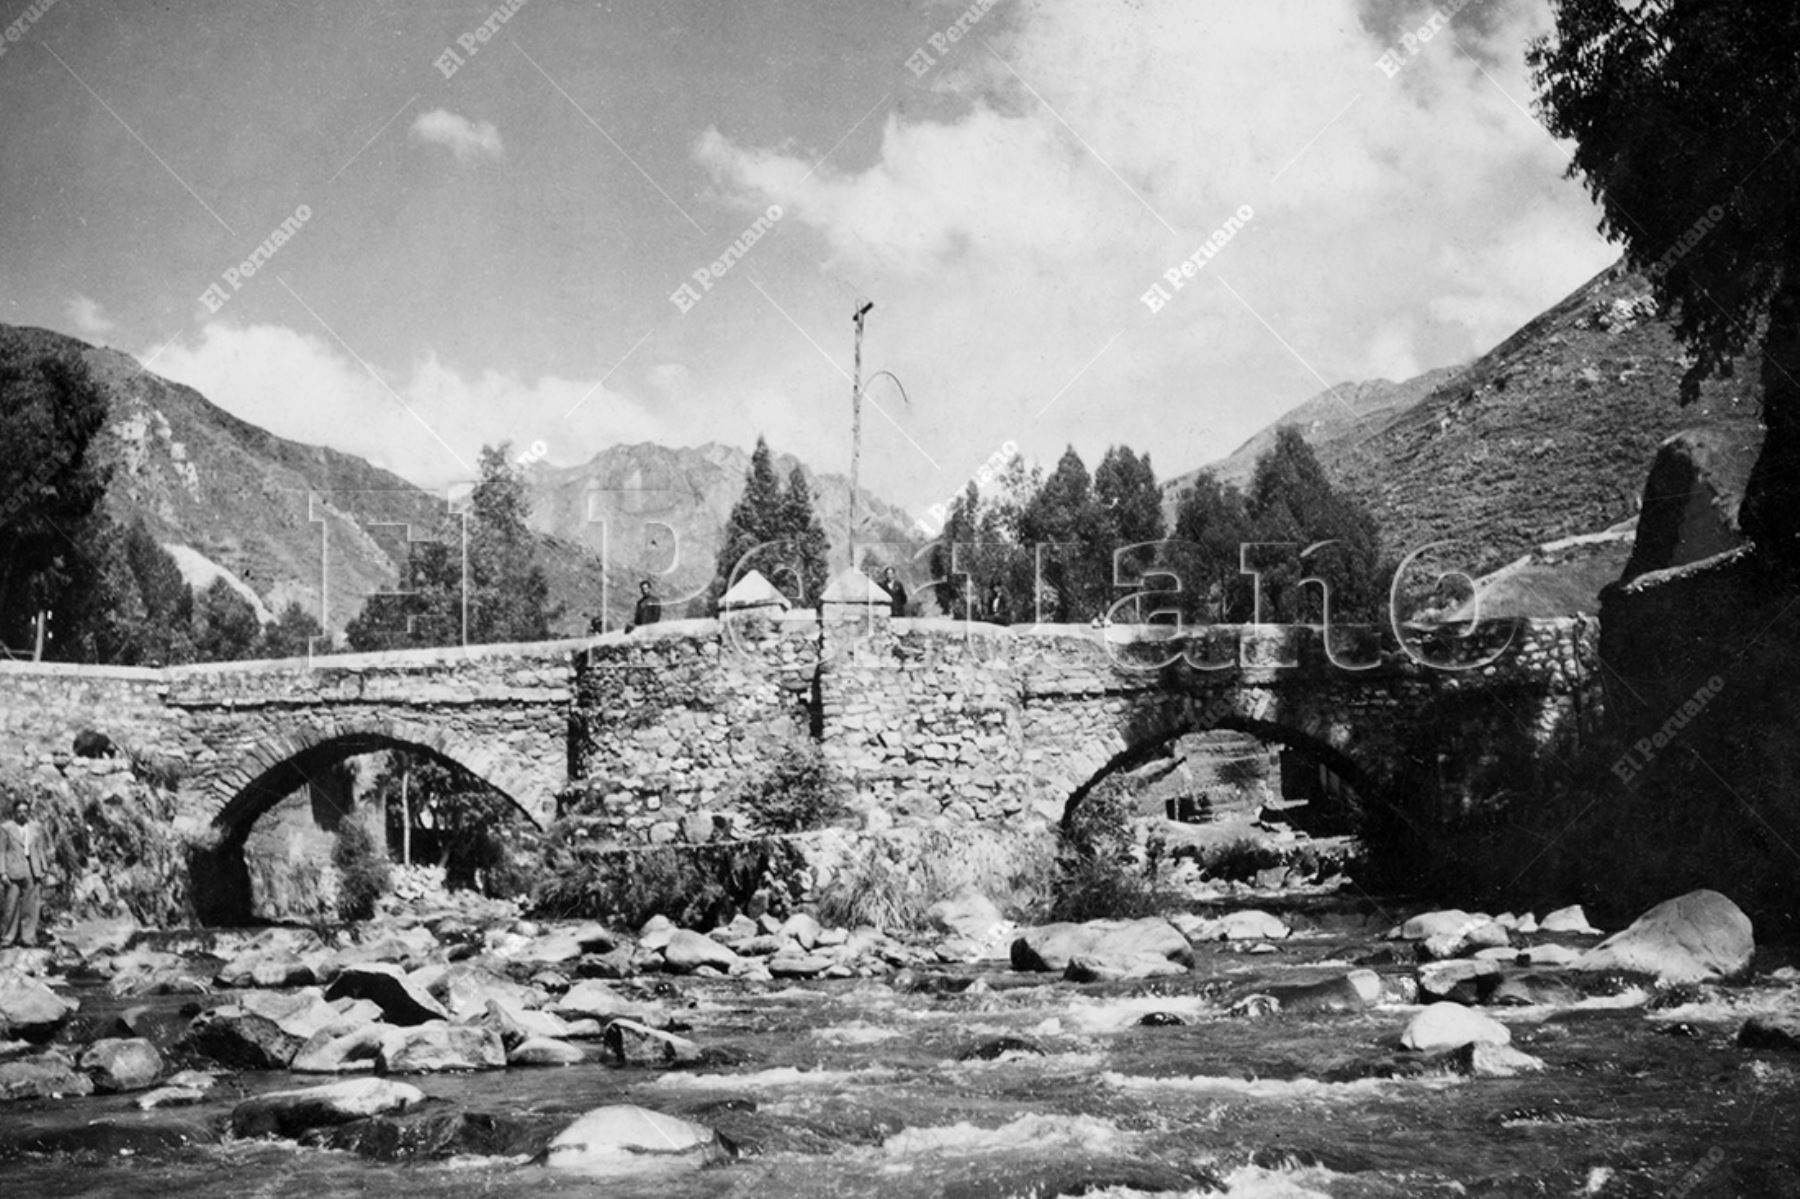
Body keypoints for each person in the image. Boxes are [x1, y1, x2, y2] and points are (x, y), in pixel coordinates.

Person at [1, 796, 53, 948]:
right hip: (13, 870)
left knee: (31, 906)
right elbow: (1, 851)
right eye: (19, 811)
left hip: (32, 869)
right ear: (14, 812)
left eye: (25, 811)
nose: (22, 814)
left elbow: (40, 848)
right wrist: (2, 872)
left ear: (28, 812)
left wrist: (44, 869)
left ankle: (28, 938)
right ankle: (7, 938)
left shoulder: (35, 827)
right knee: (11, 906)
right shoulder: (6, 828)